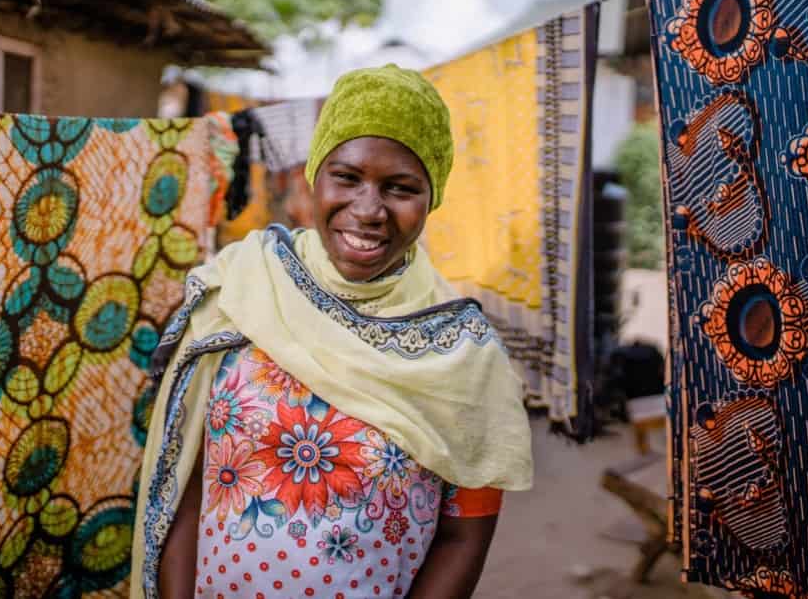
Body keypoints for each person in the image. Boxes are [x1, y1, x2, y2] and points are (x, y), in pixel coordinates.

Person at [131, 64, 533, 599]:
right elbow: (183, 486)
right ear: (314, 176)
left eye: (400, 188)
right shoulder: (243, 290)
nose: (368, 211)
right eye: (347, 177)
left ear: (431, 197)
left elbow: (464, 539)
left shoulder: (463, 353)